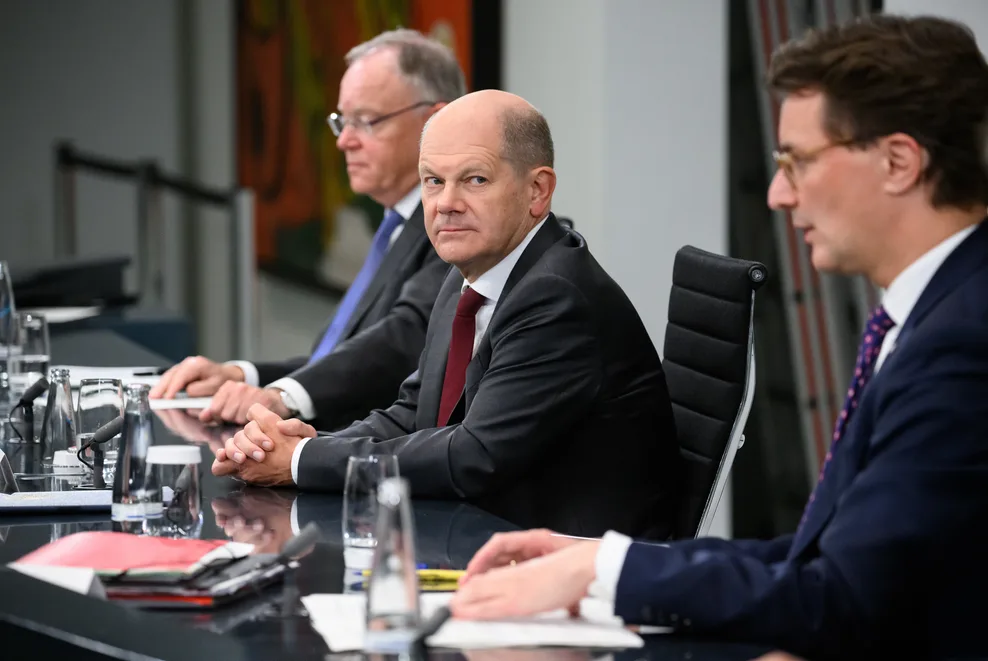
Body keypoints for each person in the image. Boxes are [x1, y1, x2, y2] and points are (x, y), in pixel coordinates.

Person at [448, 14, 988, 660]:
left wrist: (601, 574)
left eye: (798, 161)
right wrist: (607, 560)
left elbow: (840, 598)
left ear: (899, 161)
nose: (777, 192)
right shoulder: (938, 312)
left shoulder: (963, 343)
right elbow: (824, 554)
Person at [210, 89, 681, 539]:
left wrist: (302, 460)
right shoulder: (468, 274)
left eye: (474, 179)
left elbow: (473, 456)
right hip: (491, 538)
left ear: (538, 191)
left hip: (574, 571)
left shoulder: (555, 298)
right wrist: (300, 443)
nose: (446, 204)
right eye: (433, 181)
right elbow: (414, 413)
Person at [150, 29, 464, 430]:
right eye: (341, 122)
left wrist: (282, 396)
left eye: (366, 121)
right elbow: (339, 359)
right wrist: (243, 375)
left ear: (433, 121)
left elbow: (404, 341)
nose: (344, 141)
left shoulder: (453, 223)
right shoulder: (395, 227)